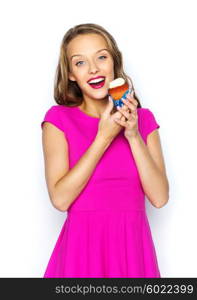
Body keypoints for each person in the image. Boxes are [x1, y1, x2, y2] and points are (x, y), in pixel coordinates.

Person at [41, 23, 169, 278]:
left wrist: (132, 135)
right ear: (70, 75)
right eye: (80, 62)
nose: (94, 69)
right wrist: (103, 137)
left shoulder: (143, 121)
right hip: (82, 253)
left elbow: (160, 197)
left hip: (132, 252)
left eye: (101, 57)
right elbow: (60, 199)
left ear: (114, 63)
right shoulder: (58, 120)